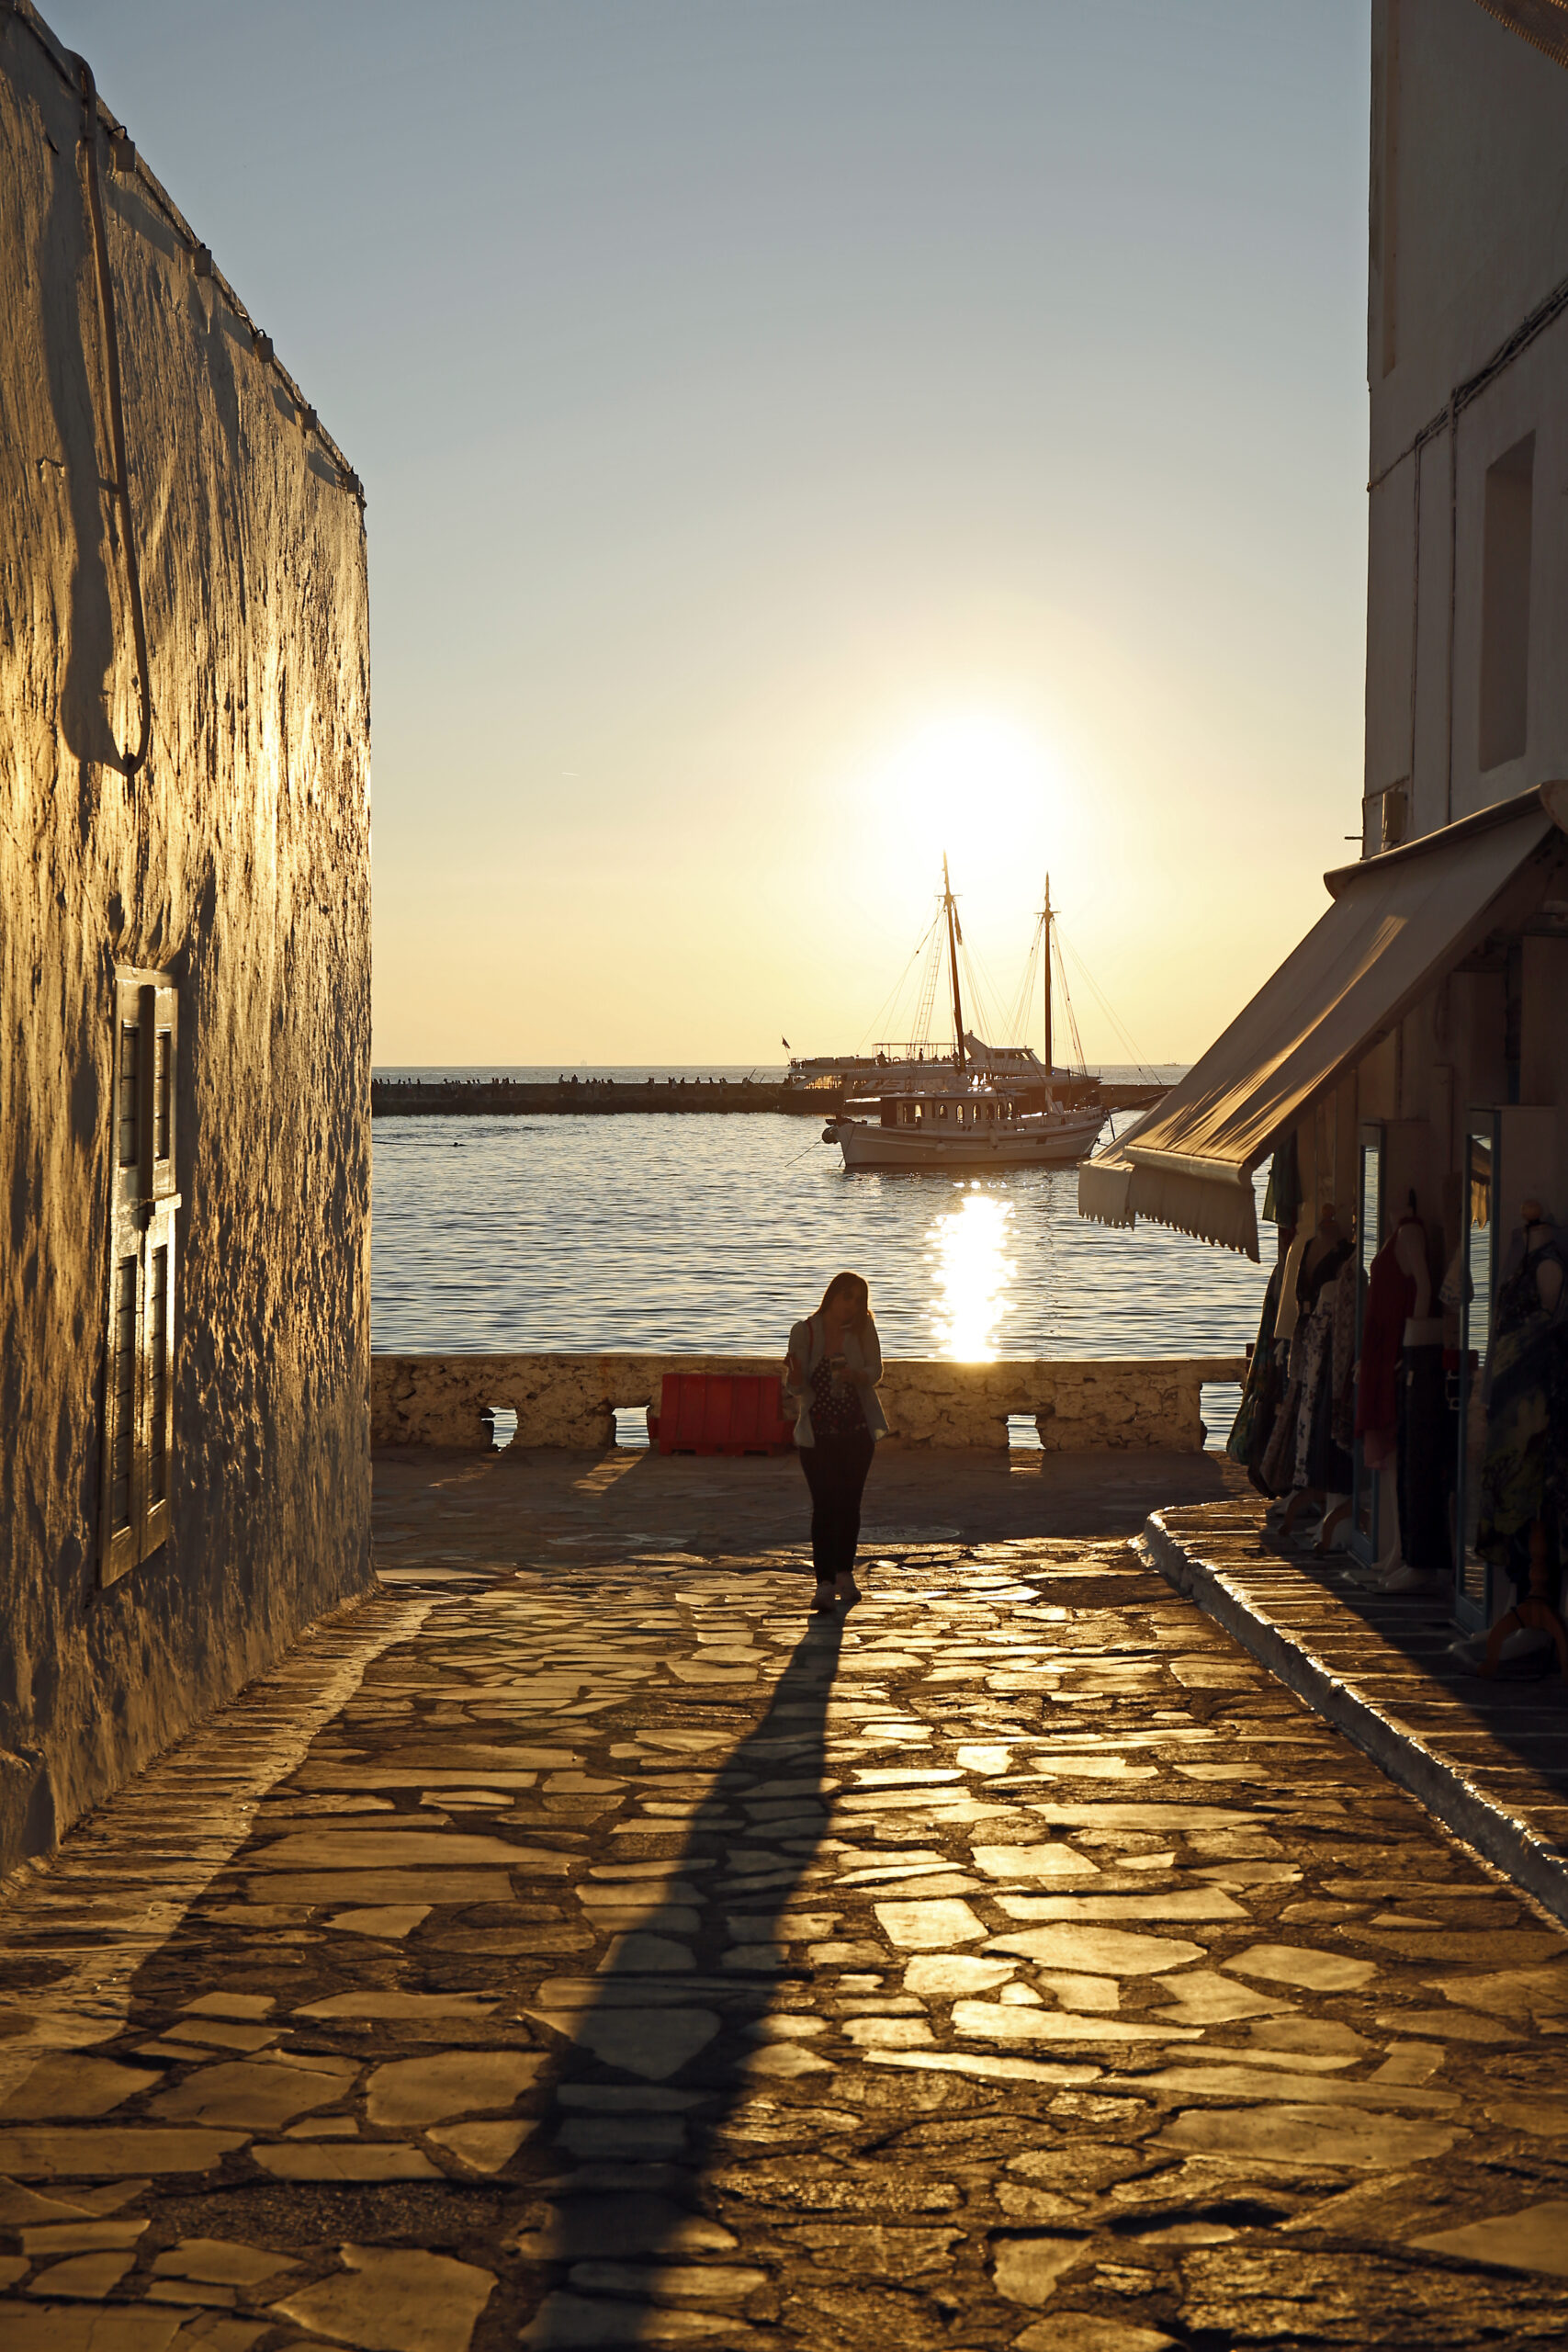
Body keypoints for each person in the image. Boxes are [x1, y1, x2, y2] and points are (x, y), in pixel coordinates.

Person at [784, 1271, 887, 1613]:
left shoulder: (862, 1328)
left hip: (857, 1430)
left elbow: (876, 1370)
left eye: (859, 1300)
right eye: (848, 1297)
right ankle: (824, 1582)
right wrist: (796, 1374)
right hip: (818, 1433)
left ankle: (845, 1573)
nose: (853, 1306)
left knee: (849, 1504)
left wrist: (858, 1375)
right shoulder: (805, 1331)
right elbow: (796, 1388)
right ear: (832, 1296)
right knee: (825, 1506)